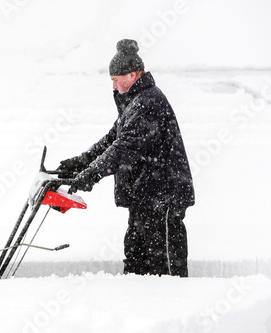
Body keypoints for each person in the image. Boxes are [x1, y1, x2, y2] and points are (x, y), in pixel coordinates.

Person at [58, 39, 195, 277]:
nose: (113, 86)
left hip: (162, 200)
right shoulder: (134, 103)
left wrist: (92, 173)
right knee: (135, 264)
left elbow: (126, 148)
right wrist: (79, 163)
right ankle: (137, 308)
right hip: (145, 198)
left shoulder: (148, 103)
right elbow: (112, 140)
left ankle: (175, 308)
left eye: (115, 79)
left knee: (165, 271)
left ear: (132, 75)